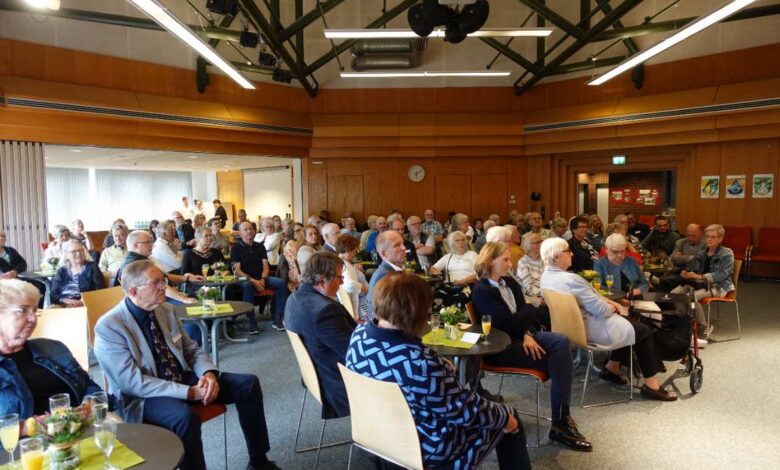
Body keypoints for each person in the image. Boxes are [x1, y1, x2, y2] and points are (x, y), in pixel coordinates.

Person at [93, 260, 280, 470]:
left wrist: (208, 374)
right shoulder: (109, 327)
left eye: (163, 280)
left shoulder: (166, 310)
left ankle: (259, 462)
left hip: (180, 377)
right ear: (134, 291)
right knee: (184, 418)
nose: (164, 286)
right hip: (144, 396)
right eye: (156, 283)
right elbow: (132, 383)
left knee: (248, 384)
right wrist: (189, 393)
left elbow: (191, 349)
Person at [346, 272, 531, 470]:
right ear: (417, 312)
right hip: (426, 447)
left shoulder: (359, 336)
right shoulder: (420, 365)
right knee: (506, 416)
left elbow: (400, 358)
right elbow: (464, 409)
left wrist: (436, 361)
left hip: (378, 434)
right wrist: (505, 417)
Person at [473, 242, 591, 452]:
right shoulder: (482, 290)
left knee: (561, 341)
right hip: (502, 347)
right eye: (505, 260)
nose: (510, 264)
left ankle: (561, 421)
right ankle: (561, 423)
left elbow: (527, 317)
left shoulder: (509, 282)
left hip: (522, 337)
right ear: (490, 261)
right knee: (559, 360)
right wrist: (528, 309)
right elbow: (506, 325)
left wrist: (528, 333)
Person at [539, 238, 676, 401]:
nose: (572, 254)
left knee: (630, 326)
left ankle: (612, 369)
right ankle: (652, 386)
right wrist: (614, 306)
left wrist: (610, 304)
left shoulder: (546, 277)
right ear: (556, 257)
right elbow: (601, 310)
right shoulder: (571, 280)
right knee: (643, 331)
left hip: (570, 330)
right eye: (568, 251)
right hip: (591, 329)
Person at [0, 278, 107, 419]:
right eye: (23, 310)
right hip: (31, 434)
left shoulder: (53, 348)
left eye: (35, 311)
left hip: (80, 426)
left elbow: (88, 385)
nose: (33, 319)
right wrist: (24, 427)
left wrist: (89, 404)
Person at [284, 252, 357, 419]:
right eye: (339, 277)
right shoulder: (325, 311)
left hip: (316, 375)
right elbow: (355, 354)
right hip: (337, 384)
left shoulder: (295, 297)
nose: (342, 282)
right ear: (322, 280)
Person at [672, 224, 734, 339]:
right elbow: (691, 267)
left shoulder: (726, 253)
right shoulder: (702, 253)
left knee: (691, 297)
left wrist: (701, 276)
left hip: (719, 286)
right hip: (699, 284)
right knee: (674, 295)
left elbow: (722, 274)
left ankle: (704, 325)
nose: (709, 239)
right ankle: (686, 322)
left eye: (713, 237)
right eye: (707, 236)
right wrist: (685, 273)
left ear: (720, 239)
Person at [231, 222, 289, 332]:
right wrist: (254, 281)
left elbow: (266, 266)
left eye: (251, 229)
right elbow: (237, 271)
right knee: (248, 285)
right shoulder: (236, 248)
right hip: (245, 279)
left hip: (261, 278)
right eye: (245, 229)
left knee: (281, 283)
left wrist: (262, 279)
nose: (249, 231)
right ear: (240, 233)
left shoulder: (260, 246)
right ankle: (251, 320)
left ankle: (277, 317)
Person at [365, 231, 406, 321]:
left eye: (403, 243)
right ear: (384, 253)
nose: (404, 248)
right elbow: (375, 311)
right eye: (397, 245)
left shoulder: (392, 271)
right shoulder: (383, 275)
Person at [50, 240, 105, 307]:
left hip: (85, 305)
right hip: (63, 305)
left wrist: (84, 300)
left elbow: (101, 290)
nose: (78, 253)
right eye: (74, 251)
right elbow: (53, 295)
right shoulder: (62, 271)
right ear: (66, 255)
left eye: (81, 250)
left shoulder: (92, 267)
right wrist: (64, 300)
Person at [180, 227, 224, 296]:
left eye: (210, 235)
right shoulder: (189, 253)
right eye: (206, 236)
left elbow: (226, 268)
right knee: (209, 291)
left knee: (229, 289)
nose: (210, 238)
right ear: (198, 238)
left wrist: (222, 273)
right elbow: (184, 273)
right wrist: (194, 277)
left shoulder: (216, 252)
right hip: (197, 284)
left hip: (216, 282)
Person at [335, 234, 368, 317]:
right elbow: (349, 285)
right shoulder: (344, 264)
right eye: (355, 249)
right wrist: (364, 289)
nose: (356, 252)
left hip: (361, 304)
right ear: (349, 250)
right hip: (362, 306)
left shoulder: (341, 262)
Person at [517, 232, 545, 306]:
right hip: (535, 298)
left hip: (547, 294)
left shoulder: (544, 259)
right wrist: (544, 295)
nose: (541, 244)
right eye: (537, 242)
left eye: (541, 241)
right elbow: (528, 287)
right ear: (528, 245)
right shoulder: (523, 262)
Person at [282, 223, 305, 291]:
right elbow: (295, 264)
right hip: (297, 275)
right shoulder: (291, 244)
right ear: (292, 233)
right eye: (298, 230)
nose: (302, 232)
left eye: (303, 230)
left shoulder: (304, 242)